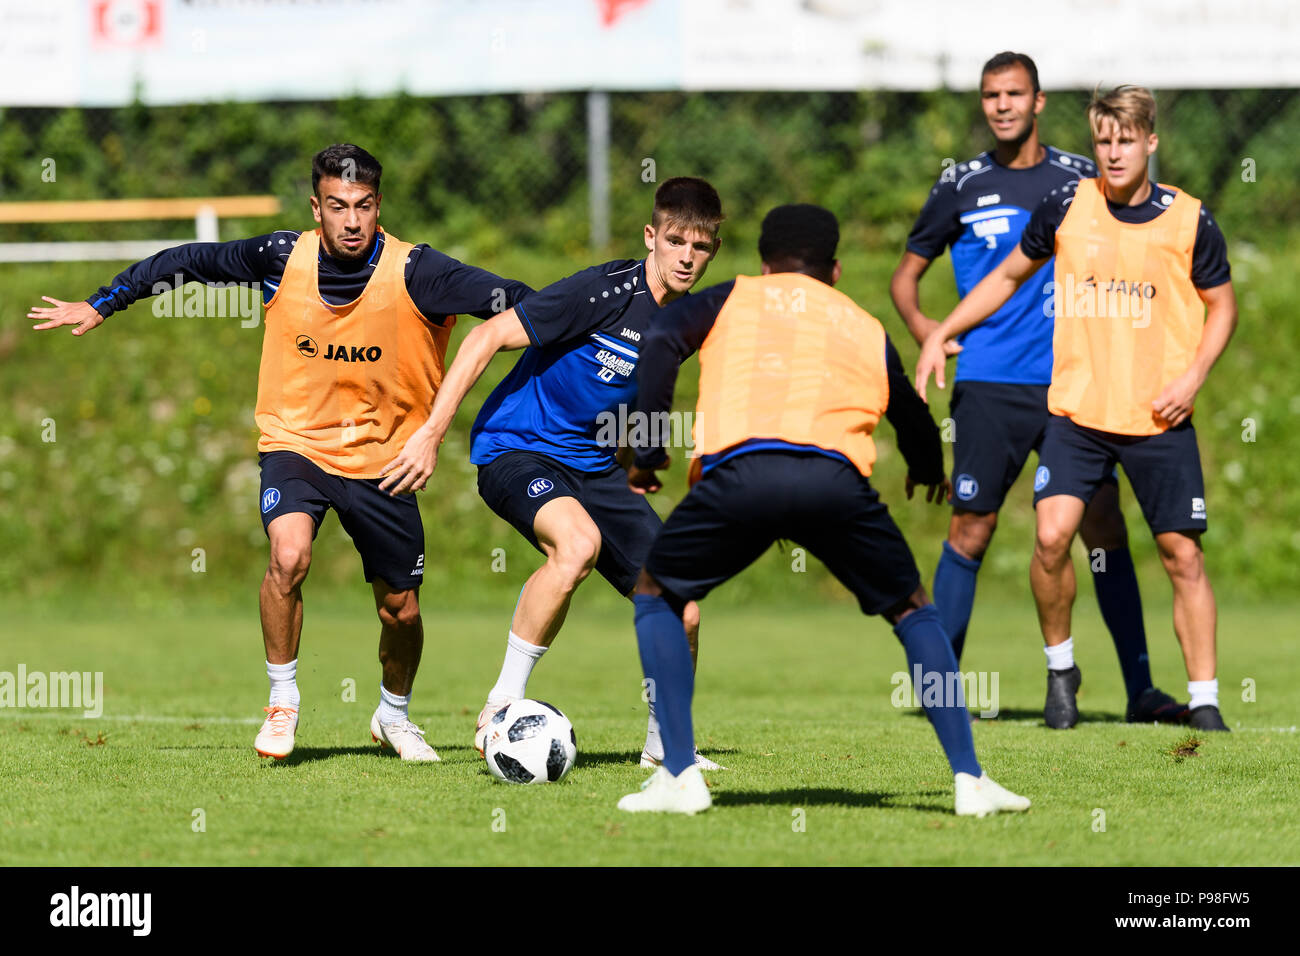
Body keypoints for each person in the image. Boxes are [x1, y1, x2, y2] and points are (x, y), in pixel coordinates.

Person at [29, 143, 533, 760]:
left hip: (386, 460)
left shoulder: (419, 272)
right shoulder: (278, 257)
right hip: (296, 445)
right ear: (315, 207)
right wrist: (106, 301)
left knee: (400, 611)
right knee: (288, 555)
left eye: (365, 206)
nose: (352, 221)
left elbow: (519, 302)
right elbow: (189, 260)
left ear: (379, 207)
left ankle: (393, 716)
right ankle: (282, 702)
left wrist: (584, 330)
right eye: (338, 206)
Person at [615, 203, 1031, 816]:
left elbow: (658, 340)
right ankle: (970, 780)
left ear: (763, 262)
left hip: (742, 475)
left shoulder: (732, 296)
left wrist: (647, 451)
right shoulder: (861, 321)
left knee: (656, 595)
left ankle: (678, 775)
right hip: (834, 481)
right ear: (835, 270)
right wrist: (926, 470)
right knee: (915, 611)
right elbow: (911, 411)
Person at [916, 86, 1236, 732]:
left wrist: (1194, 377)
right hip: (1078, 417)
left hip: (1157, 417)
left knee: (1183, 556)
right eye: (1103, 141)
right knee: (1052, 535)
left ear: (1151, 142)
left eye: (1126, 140)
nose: (1114, 153)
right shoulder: (1066, 203)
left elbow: (1222, 305)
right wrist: (938, 331)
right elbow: (1006, 276)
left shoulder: (1189, 219)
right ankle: (1062, 671)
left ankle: (1204, 701)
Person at [379, 178, 725, 768]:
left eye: (702, 246)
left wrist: (637, 464)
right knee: (577, 546)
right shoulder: (600, 291)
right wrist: (430, 435)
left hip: (594, 467)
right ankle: (501, 705)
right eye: (676, 241)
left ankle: (666, 749)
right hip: (516, 449)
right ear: (652, 237)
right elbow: (485, 336)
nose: (688, 257)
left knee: (683, 604)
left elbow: (625, 398)